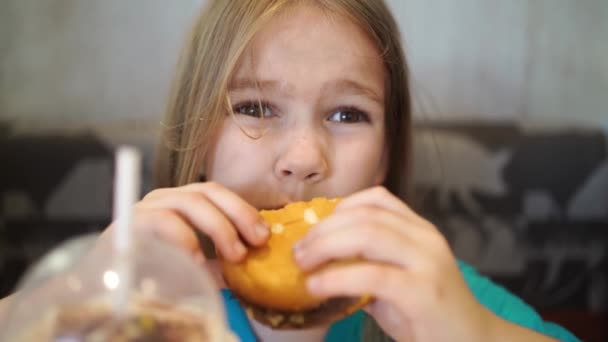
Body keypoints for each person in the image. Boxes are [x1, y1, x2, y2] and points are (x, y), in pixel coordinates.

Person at [0, 1, 580, 341]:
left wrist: (472, 332)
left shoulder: (437, 297)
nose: (303, 158)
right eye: (253, 107)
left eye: (348, 113)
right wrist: (76, 304)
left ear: (384, 158)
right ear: (197, 134)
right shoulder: (144, 304)